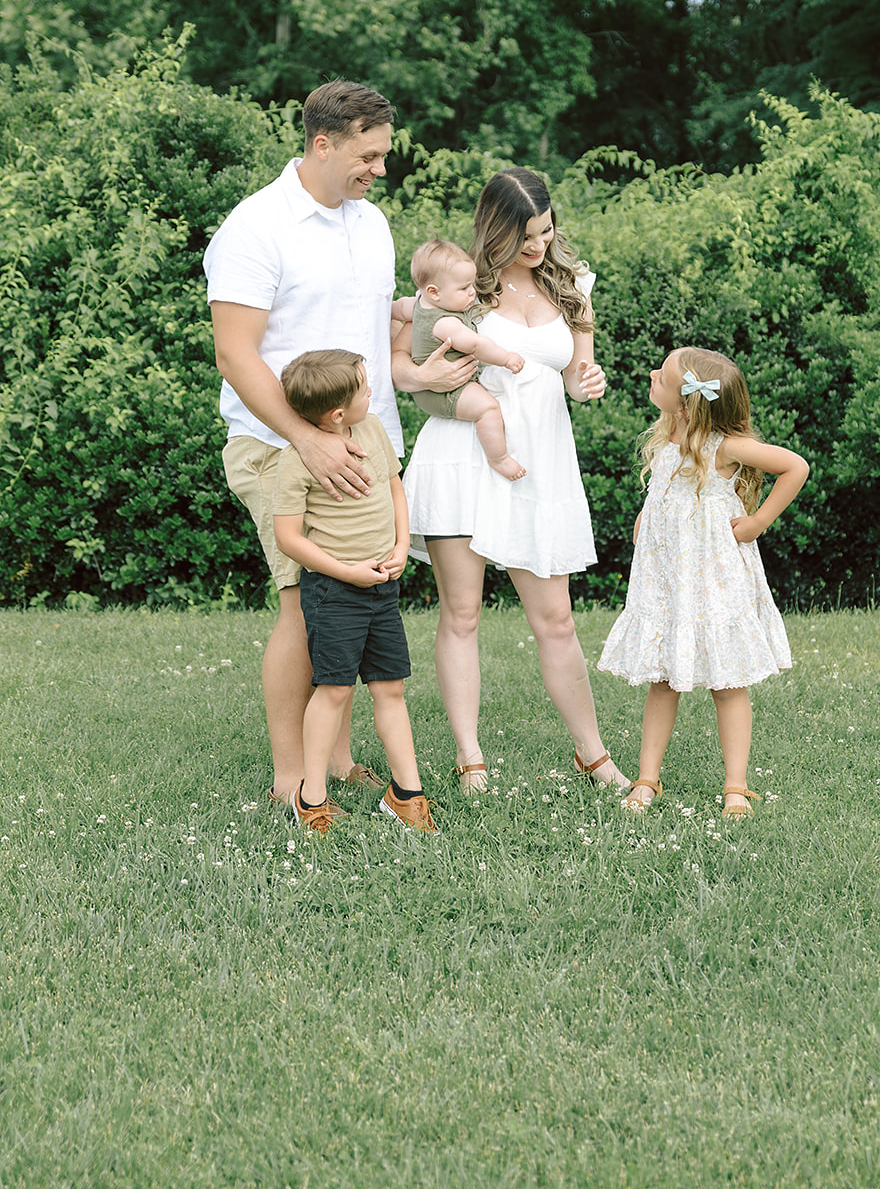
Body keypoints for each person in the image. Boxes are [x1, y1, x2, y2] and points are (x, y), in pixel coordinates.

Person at [203, 79, 472, 805]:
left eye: (382, 156)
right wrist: (306, 440)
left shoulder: (371, 223)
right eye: (369, 154)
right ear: (323, 143)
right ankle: (292, 775)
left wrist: (421, 367)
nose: (379, 170)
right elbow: (236, 353)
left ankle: (339, 753)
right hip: (279, 445)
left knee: (357, 604)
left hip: (362, 444)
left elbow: (369, 330)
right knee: (305, 600)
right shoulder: (254, 229)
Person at [398, 168, 630, 795]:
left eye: (545, 231)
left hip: (539, 463)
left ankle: (594, 754)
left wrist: (587, 384)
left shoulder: (573, 287)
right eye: (524, 235)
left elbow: (579, 374)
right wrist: (424, 379)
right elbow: (395, 355)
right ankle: (470, 758)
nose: (538, 245)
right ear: (494, 230)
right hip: (462, 455)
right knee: (463, 612)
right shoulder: (461, 284)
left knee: (555, 617)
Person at [598, 347, 809, 815]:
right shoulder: (669, 435)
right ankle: (647, 777)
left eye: (663, 375)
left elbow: (796, 467)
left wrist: (756, 523)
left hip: (714, 580)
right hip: (669, 578)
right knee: (663, 678)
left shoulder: (724, 446)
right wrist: (646, 517)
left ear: (689, 401)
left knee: (728, 681)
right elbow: (667, 492)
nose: (653, 374)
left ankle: (736, 785)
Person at [273, 350, 434, 833]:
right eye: (365, 388)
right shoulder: (297, 459)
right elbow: (289, 538)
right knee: (335, 689)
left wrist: (402, 545)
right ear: (337, 413)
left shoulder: (372, 430)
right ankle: (311, 798)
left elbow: (394, 488)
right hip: (334, 591)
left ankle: (407, 795)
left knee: (390, 687)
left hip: (382, 584)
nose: (373, 393)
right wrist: (346, 571)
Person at [405, 238, 526, 481]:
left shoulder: (418, 304)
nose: (472, 292)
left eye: (471, 284)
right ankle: (499, 458)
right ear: (434, 292)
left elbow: (396, 308)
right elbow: (476, 344)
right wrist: (506, 358)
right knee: (488, 408)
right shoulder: (446, 323)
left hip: (433, 388)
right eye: (463, 288)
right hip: (445, 391)